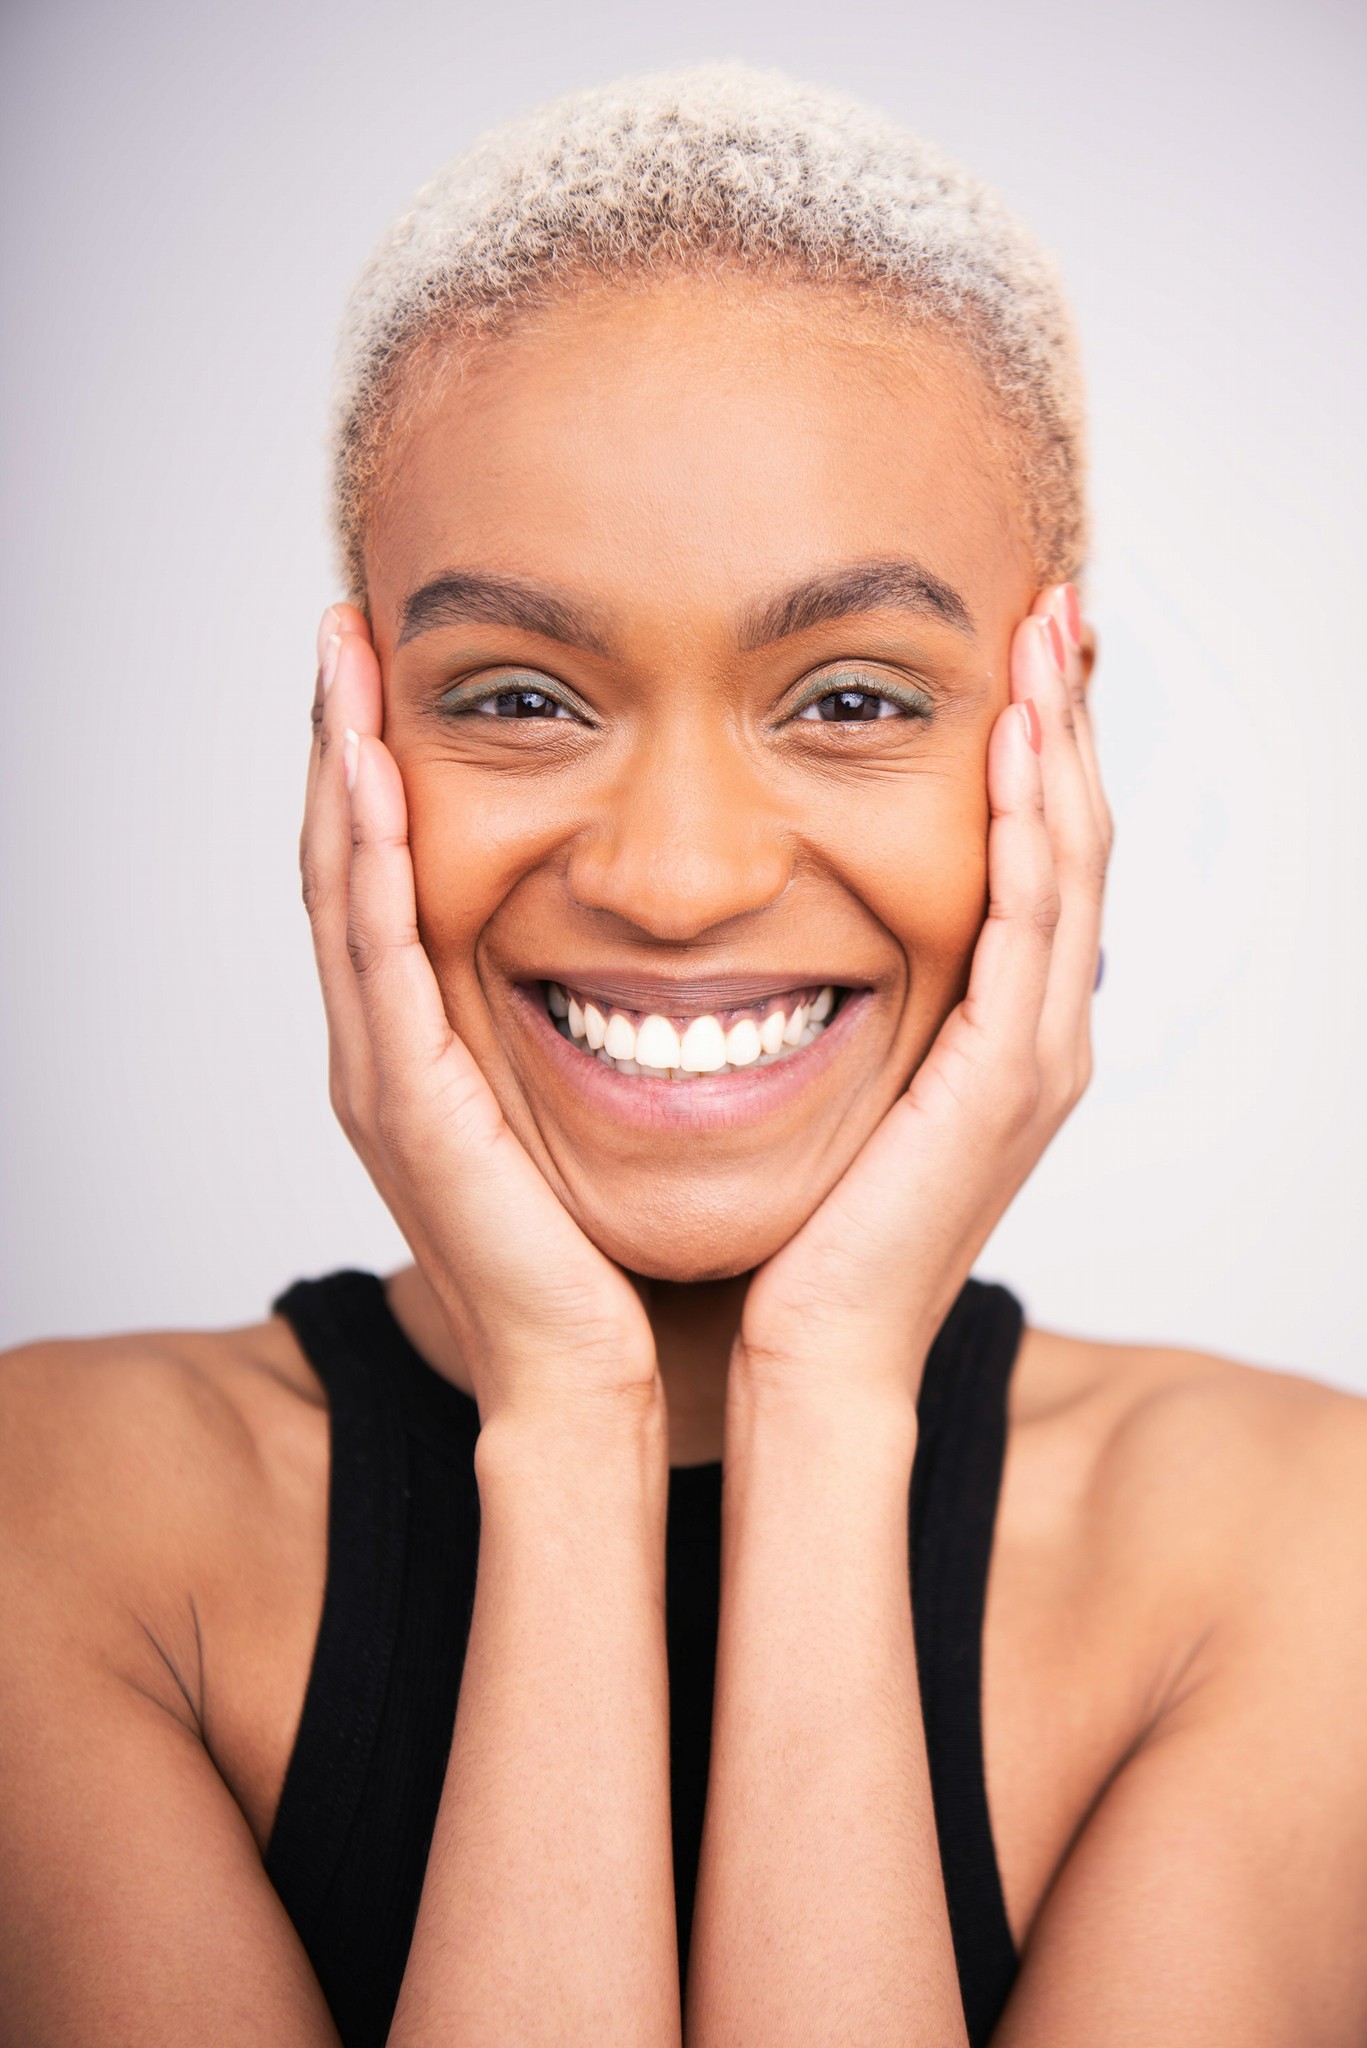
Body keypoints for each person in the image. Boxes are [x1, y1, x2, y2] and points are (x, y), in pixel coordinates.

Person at [2, 63, 1365, 2048]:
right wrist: (563, 1418)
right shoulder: (56, 1514)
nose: (675, 876)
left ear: (1048, 743)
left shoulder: (1297, 1550)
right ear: (354, 743)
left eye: (848, 696)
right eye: (525, 694)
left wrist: (827, 1405)